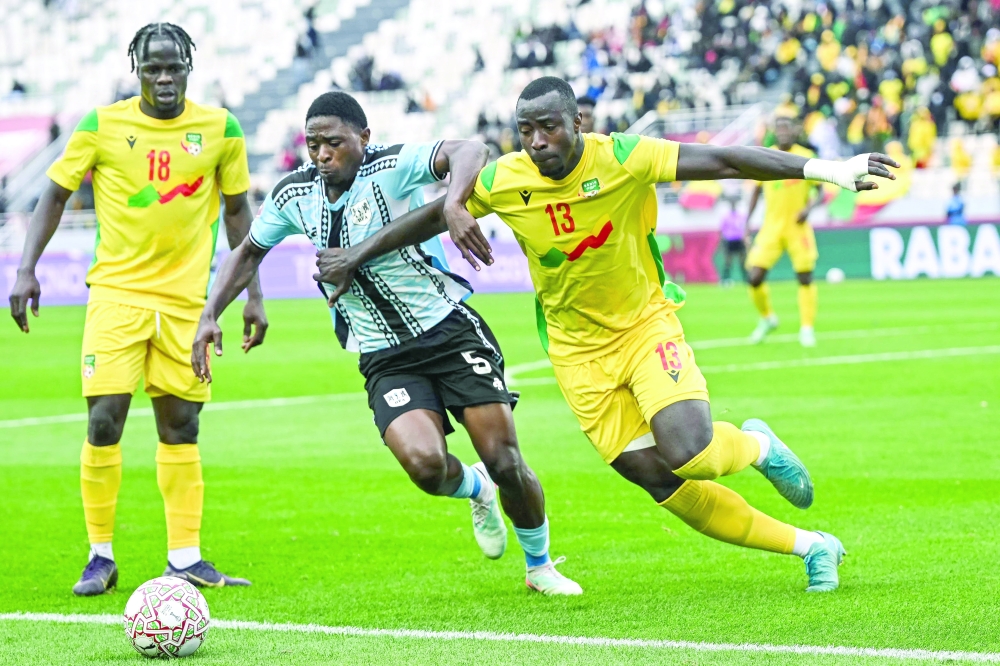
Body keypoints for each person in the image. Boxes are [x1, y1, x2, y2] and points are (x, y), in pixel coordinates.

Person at [315, 77, 898, 593]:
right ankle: (811, 547)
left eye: (548, 127)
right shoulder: (506, 178)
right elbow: (424, 218)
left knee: (691, 452)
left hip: (645, 327)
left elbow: (723, 160)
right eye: (525, 131)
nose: (537, 142)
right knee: (657, 478)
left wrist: (828, 169)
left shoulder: (624, 156)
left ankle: (757, 446)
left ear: (578, 123)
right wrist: (363, 252)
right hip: (576, 354)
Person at [192, 92, 582, 596]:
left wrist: (454, 204)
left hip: (449, 331)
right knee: (426, 467)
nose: (322, 154)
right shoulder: (294, 194)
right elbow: (248, 252)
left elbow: (470, 149)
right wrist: (210, 314)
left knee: (505, 460)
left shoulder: (393, 166)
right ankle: (476, 488)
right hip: (383, 353)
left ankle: (540, 566)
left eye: (334, 142)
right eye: (313, 144)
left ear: (364, 138)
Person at [8, 23, 266, 596]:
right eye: (153, 68)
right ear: (137, 70)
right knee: (104, 421)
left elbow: (237, 213)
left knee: (182, 426)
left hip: (186, 305)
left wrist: (253, 295)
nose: (164, 78)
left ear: (189, 68)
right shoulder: (102, 125)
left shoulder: (221, 129)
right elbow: (54, 195)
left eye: (174, 67)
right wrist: (26, 269)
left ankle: (185, 556)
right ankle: (100, 556)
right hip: (116, 296)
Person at [745, 115, 825, 347]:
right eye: (779, 128)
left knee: (804, 277)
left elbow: (820, 191)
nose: (783, 132)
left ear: (794, 131)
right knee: (754, 277)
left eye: (786, 128)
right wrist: (747, 223)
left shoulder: (805, 156)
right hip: (771, 227)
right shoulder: (765, 156)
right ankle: (767, 318)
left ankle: (807, 328)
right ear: (774, 131)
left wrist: (808, 209)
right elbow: (755, 192)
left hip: (797, 228)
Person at [718, 198, 748, 286]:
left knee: (743, 261)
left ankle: (746, 280)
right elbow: (722, 230)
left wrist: (746, 239)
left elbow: (745, 228)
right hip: (729, 240)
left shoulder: (741, 216)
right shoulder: (726, 216)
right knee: (728, 262)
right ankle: (725, 280)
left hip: (739, 240)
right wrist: (722, 243)